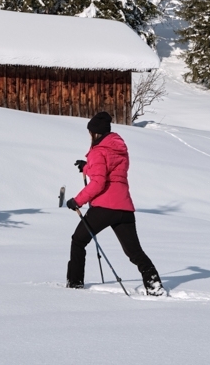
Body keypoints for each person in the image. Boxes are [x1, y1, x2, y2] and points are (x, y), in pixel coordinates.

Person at [65, 111, 164, 296]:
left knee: (78, 241)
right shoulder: (120, 150)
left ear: (95, 133)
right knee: (134, 252)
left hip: (104, 207)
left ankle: (75, 284)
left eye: (90, 132)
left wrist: (76, 201)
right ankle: (154, 285)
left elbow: (99, 182)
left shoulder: (97, 151)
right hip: (124, 208)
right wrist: (86, 167)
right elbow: (112, 173)